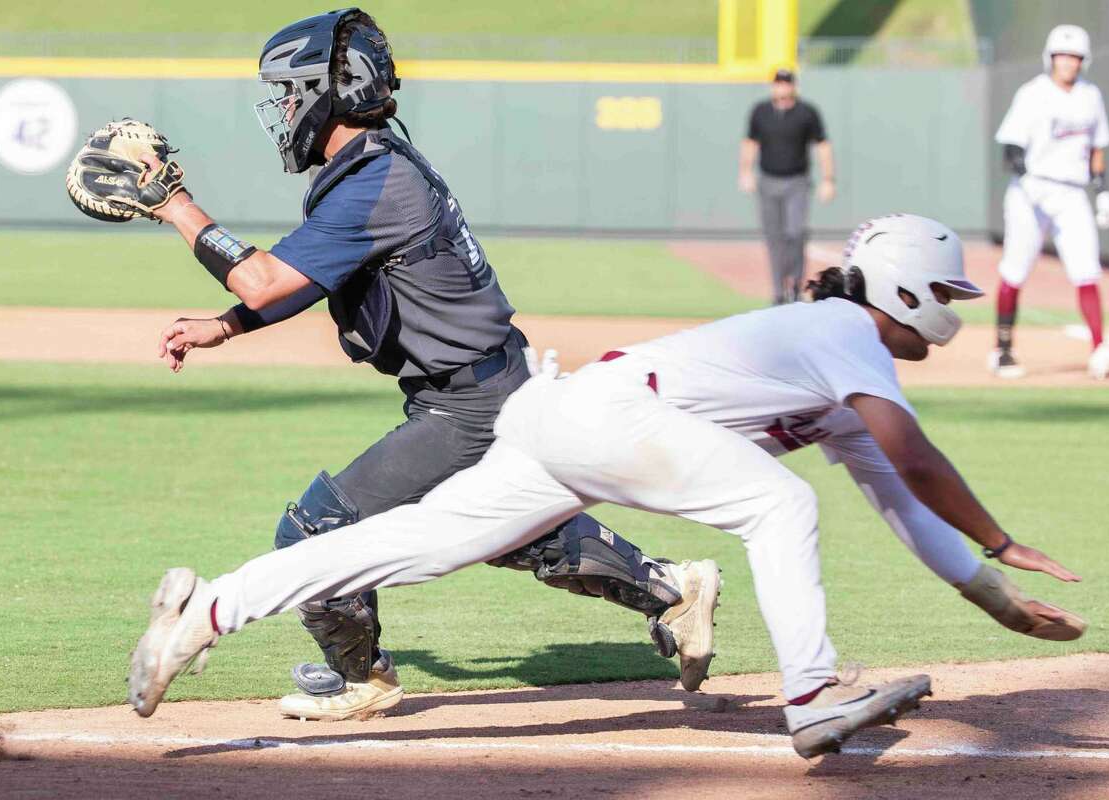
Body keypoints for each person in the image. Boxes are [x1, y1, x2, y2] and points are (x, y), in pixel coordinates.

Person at [129, 214, 1083, 759]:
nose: (951, 309)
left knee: (409, 543)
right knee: (780, 504)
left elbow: (903, 498)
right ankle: (814, 694)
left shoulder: (840, 373)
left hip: (559, 416)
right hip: (598, 418)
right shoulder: (842, 332)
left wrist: (991, 596)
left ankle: (206, 610)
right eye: (949, 292)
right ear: (907, 289)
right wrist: (1001, 544)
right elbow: (917, 458)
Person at [141, 8, 720, 721]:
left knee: (315, 534)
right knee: (508, 531)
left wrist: (174, 205)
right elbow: (301, 280)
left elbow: (262, 278)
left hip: (470, 403)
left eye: (292, 92)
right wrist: (226, 327)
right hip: (491, 386)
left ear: (335, 90)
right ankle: (674, 589)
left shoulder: (374, 184)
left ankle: (366, 680)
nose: (285, 108)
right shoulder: (376, 168)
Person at [991, 24, 1109, 380]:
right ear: (1050, 58)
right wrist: (1023, 176)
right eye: (1062, 55)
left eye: (1075, 57)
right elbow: (1010, 145)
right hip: (1030, 189)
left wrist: (1103, 191)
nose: (1068, 62)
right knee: (1015, 269)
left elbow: (1097, 148)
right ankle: (1003, 349)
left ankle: (1098, 349)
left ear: (1084, 61)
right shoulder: (1033, 93)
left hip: (1071, 192)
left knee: (1086, 270)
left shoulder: (1090, 96)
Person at [738, 68, 836, 306]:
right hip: (768, 180)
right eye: (778, 83)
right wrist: (745, 171)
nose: (782, 87)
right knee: (774, 238)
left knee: (795, 232)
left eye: (786, 83)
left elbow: (822, 145)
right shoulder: (761, 112)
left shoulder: (806, 113)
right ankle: (778, 292)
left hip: (796, 182)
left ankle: (795, 285)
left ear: (793, 86)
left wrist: (828, 179)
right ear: (773, 86)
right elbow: (750, 142)